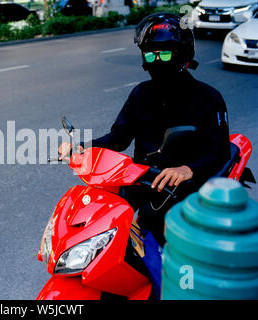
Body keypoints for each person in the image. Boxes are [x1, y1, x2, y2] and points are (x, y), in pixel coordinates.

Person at [58, 13, 231, 246]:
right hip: (142, 179)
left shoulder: (208, 98)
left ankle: (168, 281)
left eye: (165, 53)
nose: (157, 61)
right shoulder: (141, 94)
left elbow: (219, 150)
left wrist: (188, 168)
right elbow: (118, 137)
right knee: (99, 216)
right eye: (151, 54)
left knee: (154, 230)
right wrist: (81, 147)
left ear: (183, 55)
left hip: (185, 185)